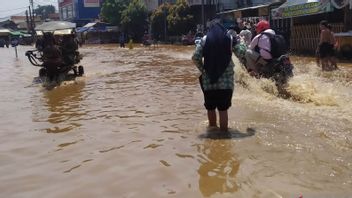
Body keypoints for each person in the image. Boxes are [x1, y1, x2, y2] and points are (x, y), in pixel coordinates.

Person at [192, 20, 235, 132]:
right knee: (223, 109)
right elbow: (242, 52)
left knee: (210, 108)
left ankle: (213, 135)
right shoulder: (229, 38)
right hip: (226, 83)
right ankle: (224, 135)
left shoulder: (205, 39)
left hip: (209, 81)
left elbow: (195, 57)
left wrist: (204, 70)